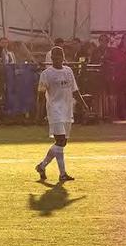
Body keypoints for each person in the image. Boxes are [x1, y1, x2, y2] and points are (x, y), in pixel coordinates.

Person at [35, 46, 89, 183]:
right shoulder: (46, 74)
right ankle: (62, 174)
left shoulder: (68, 71)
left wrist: (84, 105)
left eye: (61, 56)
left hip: (67, 110)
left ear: (63, 57)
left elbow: (75, 90)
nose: (58, 59)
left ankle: (42, 166)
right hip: (54, 111)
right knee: (60, 141)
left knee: (62, 143)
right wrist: (39, 113)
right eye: (55, 56)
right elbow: (41, 96)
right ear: (52, 58)